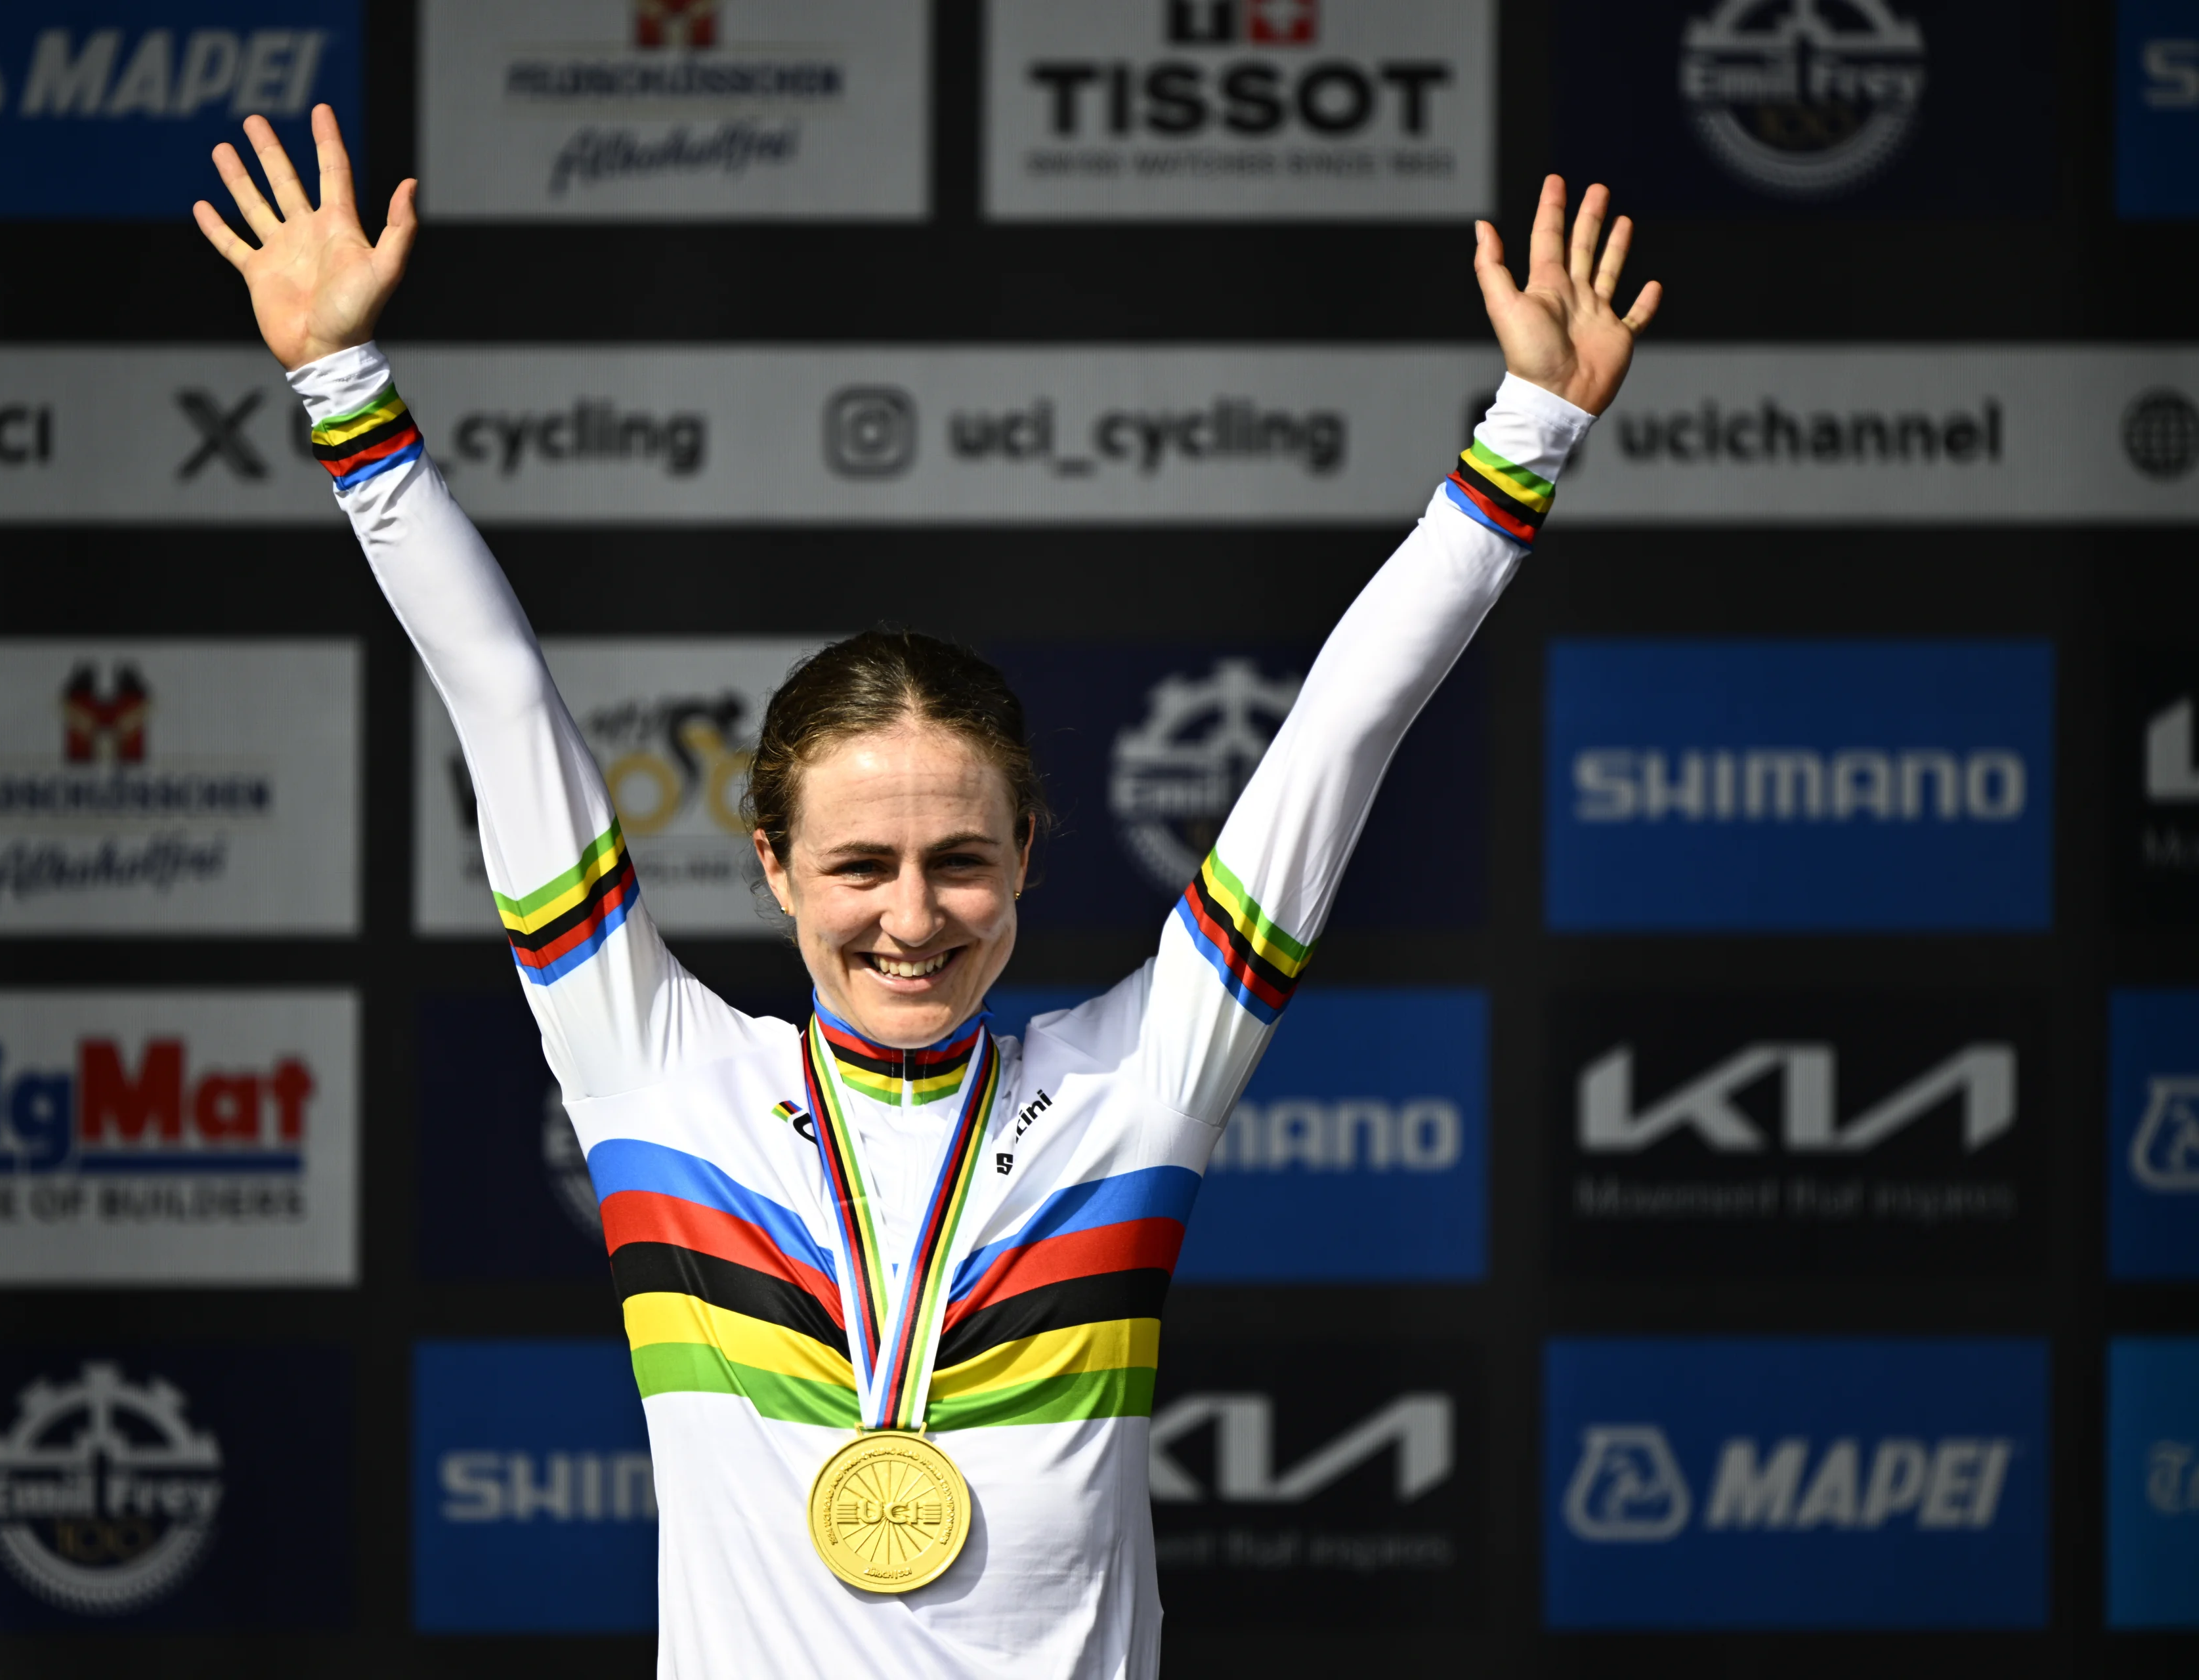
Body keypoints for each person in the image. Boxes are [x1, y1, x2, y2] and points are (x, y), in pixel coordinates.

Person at [198, 107, 1659, 1679]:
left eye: (962, 859)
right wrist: (340, 388)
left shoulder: (1136, 1085)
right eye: (859, 864)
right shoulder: (655, 1069)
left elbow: (1336, 739)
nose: (913, 913)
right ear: (770, 864)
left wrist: (1530, 433)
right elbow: (499, 700)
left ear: (1030, 854)